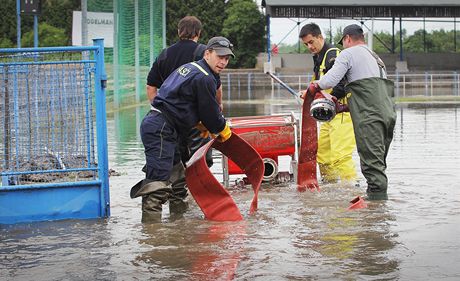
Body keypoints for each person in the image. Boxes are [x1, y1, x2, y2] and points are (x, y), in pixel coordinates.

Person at [134, 36, 235, 222]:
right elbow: (212, 115)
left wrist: (197, 122)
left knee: (178, 178)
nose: (223, 62)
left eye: (227, 58)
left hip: (164, 126)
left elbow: (179, 99)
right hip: (161, 129)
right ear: (207, 53)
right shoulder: (204, 77)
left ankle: (179, 222)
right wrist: (223, 130)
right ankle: (151, 235)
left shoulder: (191, 67)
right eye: (219, 56)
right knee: (157, 184)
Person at [305, 24, 396, 200]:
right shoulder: (376, 58)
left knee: (372, 168)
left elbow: (331, 79)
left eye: (344, 42)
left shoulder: (348, 53)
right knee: (378, 163)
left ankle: (375, 213)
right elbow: (372, 96)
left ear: (347, 39)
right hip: (388, 115)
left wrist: (314, 87)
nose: (343, 46)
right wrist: (343, 107)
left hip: (370, 118)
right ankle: (378, 207)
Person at [146, 16, 223, 167]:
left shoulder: (164, 54)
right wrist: (219, 105)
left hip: (170, 118)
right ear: (199, 33)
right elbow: (216, 87)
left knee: (176, 159)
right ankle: (198, 185)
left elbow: (151, 87)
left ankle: (180, 187)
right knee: (200, 158)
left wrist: (160, 108)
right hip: (196, 117)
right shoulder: (205, 53)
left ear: (178, 31)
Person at [299, 23, 357, 184]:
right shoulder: (319, 57)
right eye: (306, 44)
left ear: (320, 37)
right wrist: (309, 94)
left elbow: (343, 83)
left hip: (342, 114)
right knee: (323, 157)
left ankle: (351, 191)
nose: (309, 46)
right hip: (327, 116)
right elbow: (320, 83)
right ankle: (331, 190)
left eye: (311, 42)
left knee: (341, 157)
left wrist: (329, 98)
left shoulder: (333, 54)